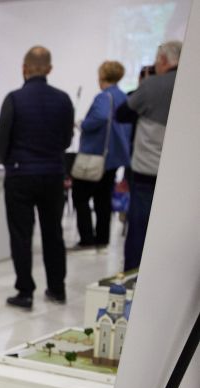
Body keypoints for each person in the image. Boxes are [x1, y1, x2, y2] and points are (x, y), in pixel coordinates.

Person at [0, 46, 73, 310]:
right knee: (53, 233)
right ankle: (57, 288)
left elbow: (1, 140)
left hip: (20, 175)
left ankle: (25, 291)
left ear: (23, 68)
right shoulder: (63, 100)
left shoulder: (14, 99)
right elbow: (66, 140)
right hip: (53, 174)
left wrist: (11, 163)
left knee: (21, 234)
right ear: (49, 69)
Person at [115, 40, 180, 271]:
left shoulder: (152, 86)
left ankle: (133, 277)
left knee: (139, 230)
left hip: (147, 171)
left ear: (163, 60)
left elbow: (122, 113)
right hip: (179, 175)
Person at [72, 61, 131, 249]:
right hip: (114, 157)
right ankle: (102, 238)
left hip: (96, 155)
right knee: (103, 199)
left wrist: (83, 124)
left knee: (80, 196)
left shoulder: (104, 97)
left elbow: (101, 117)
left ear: (102, 76)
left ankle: (87, 238)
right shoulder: (123, 97)